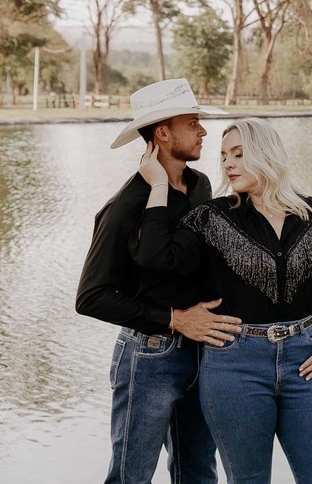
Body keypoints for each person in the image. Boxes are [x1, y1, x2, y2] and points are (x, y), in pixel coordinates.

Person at [133, 117, 312, 484]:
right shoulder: (212, 218)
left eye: (238, 154)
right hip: (234, 365)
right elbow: (156, 257)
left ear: (266, 154)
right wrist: (158, 184)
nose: (227, 164)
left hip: (305, 360)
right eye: (223, 157)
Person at [76, 78, 242, 484]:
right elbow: (91, 297)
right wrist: (174, 319)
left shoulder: (201, 185)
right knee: (132, 476)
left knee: (199, 473)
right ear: (163, 133)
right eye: (193, 123)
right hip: (148, 359)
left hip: (203, 354)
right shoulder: (123, 209)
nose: (203, 131)